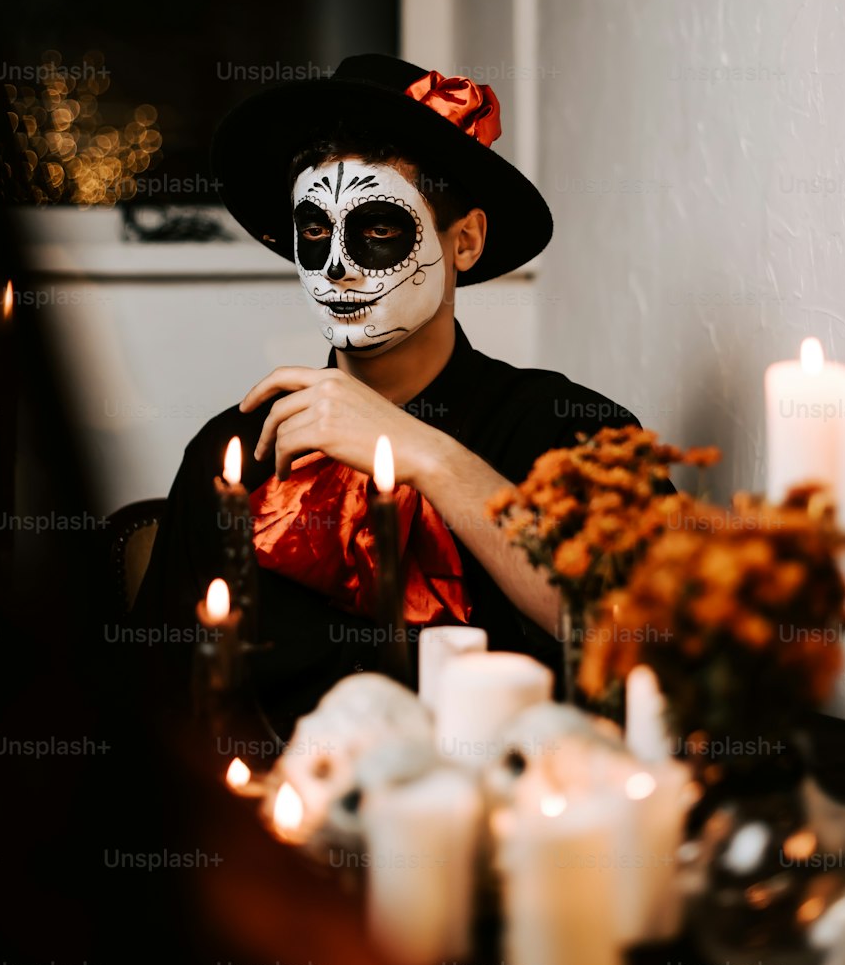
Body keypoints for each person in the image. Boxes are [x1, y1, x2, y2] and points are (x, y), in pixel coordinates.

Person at [133, 54, 646, 736]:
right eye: (315, 232)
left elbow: (638, 646)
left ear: (463, 242)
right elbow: (155, 712)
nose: (338, 266)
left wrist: (424, 454)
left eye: (377, 229)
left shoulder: (570, 432)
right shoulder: (233, 454)